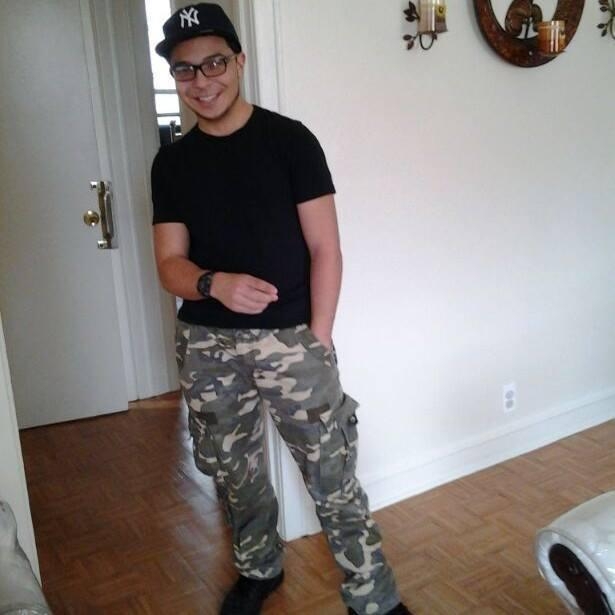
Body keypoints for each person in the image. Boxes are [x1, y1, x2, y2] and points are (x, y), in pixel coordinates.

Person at [151, 4, 411, 615]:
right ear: (176, 77)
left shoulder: (290, 141)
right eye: (185, 70)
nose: (202, 81)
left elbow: (327, 249)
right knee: (234, 474)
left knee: (331, 474)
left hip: (292, 340)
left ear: (239, 62)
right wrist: (214, 283)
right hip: (208, 347)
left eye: (214, 63)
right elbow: (169, 264)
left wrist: (318, 335)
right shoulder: (172, 162)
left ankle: (373, 596)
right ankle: (259, 570)